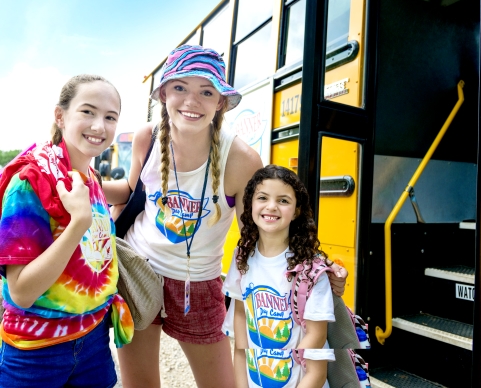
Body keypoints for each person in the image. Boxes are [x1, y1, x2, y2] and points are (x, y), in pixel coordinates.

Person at [103, 44, 347, 388]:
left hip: (198, 284)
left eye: (206, 91)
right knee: (139, 383)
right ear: (163, 94)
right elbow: (130, 191)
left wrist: (315, 269)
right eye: (180, 88)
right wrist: (85, 185)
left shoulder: (241, 159)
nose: (192, 101)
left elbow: (267, 229)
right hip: (137, 272)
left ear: (220, 101)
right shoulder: (148, 137)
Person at [0, 74, 134, 388]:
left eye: (110, 117)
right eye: (88, 111)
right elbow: (21, 292)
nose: (99, 126)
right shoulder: (29, 183)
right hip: (36, 353)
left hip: (94, 342)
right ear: (60, 116)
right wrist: (77, 225)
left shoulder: (93, 180)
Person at [223, 165, 335, 388]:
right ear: (251, 204)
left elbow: (316, 365)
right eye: (262, 197)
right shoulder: (241, 257)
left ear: (296, 211)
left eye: (283, 201)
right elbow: (241, 325)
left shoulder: (309, 271)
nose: (271, 207)